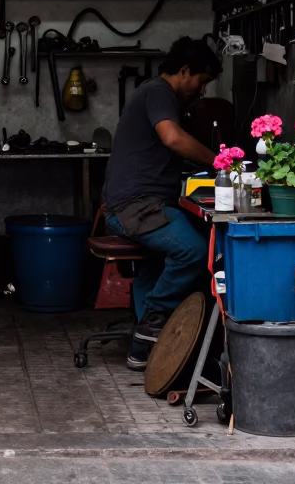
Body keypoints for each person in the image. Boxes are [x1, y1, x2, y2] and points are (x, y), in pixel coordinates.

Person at [102, 36, 222, 370]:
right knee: (196, 252)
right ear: (184, 71)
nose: (202, 90)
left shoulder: (154, 94)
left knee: (155, 264)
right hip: (135, 207)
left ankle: (148, 349)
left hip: (139, 204)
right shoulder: (158, 92)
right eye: (202, 81)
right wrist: (219, 162)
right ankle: (151, 326)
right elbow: (172, 137)